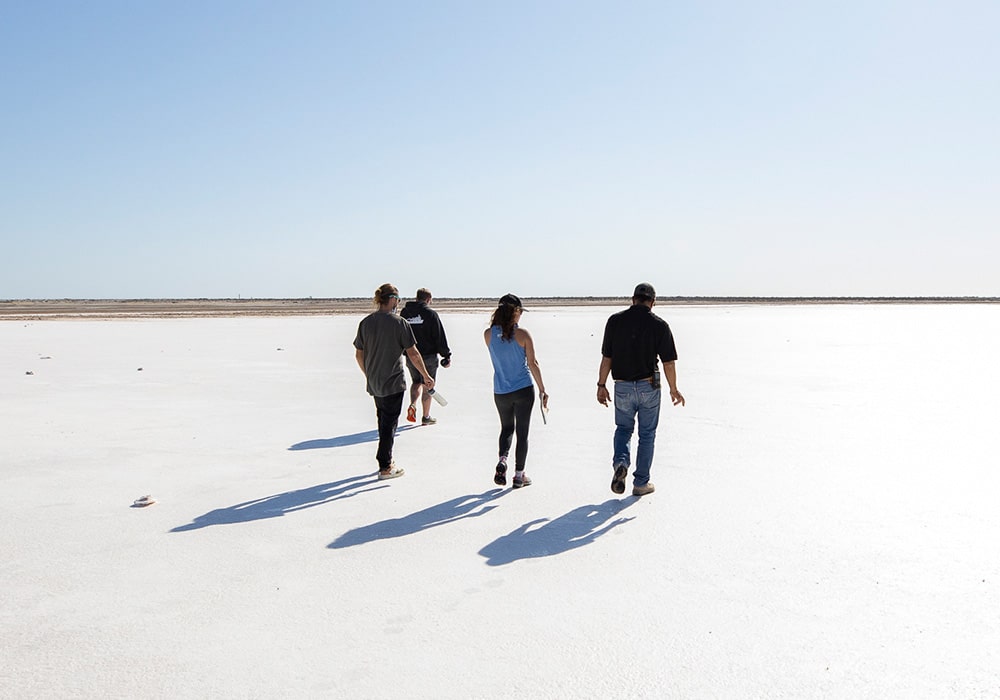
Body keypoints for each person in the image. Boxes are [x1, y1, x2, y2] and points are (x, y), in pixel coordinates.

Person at [596, 282, 685, 497]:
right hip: (649, 386)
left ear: (633, 299)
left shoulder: (615, 321)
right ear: (653, 302)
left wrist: (601, 385)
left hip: (622, 386)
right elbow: (668, 362)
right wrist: (674, 389)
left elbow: (607, 357)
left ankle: (621, 463)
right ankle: (641, 483)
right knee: (647, 435)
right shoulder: (659, 325)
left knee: (623, 429)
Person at [353, 283, 435, 480]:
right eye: (397, 299)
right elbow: (413, 353)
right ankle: (385, 465)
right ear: (391, 299)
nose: (398, 303)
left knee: (383, 420)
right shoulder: (399, 323)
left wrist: (369, 373)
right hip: (393, 382)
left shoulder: (366, 323)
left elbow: (359, 355)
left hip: (375, 382)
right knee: (389, 423)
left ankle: (384, 459)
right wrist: (426, 375)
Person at [484, 293, 548, 489]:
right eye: (520, 312)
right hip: (522, 389)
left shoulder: (487, 334)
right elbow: (533, 363)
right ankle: (519, 476)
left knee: (506, 428)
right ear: (516, 312)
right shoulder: (523, 335)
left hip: (501, 390)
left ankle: (503, 460)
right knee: (522, 432)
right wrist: (542, 389)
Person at [400, 288, 452, 425]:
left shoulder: (405, 313)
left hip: (411, 355)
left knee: (416, 382)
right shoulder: (430, 314)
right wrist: (446, 355)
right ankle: (426, 416)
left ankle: (412, 404)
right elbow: (439, 335)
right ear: (428, 299)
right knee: (427, 384)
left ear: (417, 298)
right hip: (428, 356)